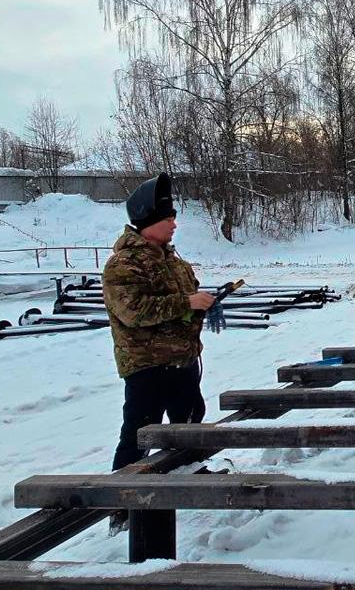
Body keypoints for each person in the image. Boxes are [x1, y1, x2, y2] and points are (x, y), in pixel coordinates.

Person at [103, 173, 215, 531]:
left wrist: (202, 304)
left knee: (190, 422)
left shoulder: (173, 260)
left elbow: (183, 302)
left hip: (182, 359)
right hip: (148, 365)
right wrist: (186, 303)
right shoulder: (124, 264)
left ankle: (189, 473)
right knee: (138, 435)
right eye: (168, 218)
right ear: (148, 221)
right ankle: (122, 507)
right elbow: (132, 311)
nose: (174, 224)